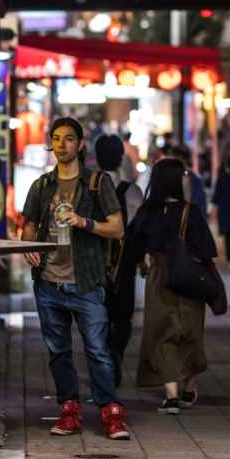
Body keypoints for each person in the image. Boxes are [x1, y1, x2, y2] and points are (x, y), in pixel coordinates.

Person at [19, 117, 130, 440]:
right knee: (58, 352)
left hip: (87, 282)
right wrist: (29, 246)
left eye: (69, 139)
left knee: (97, 350)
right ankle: (69, 408)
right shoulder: (42, 185)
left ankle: (111, 411)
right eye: (56, 138)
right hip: (49, 283)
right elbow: (28, 224)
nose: (61, 144)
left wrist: (84, 222)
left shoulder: (97, 183)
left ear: (80, 145)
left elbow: (117, 228)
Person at [119, 158, 216, 414]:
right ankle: (187, 387)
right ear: (175, 180)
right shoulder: (190, 212)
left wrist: (147, 256)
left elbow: (132, 241)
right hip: (190, 280)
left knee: (162, 335)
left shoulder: (148, 211)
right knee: (190, 333)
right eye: (183, 174)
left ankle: (171, 396)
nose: (186, 178)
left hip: (159, 279)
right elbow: (207, 249)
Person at [94, 134, 137, 385]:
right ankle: (116, 351)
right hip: (125, 262)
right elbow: (138, 228)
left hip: (95, 261)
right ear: (121, 157)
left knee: (97, 315)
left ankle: (105, 358)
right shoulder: (132, 191)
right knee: (123, 315)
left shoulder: (88, 187)